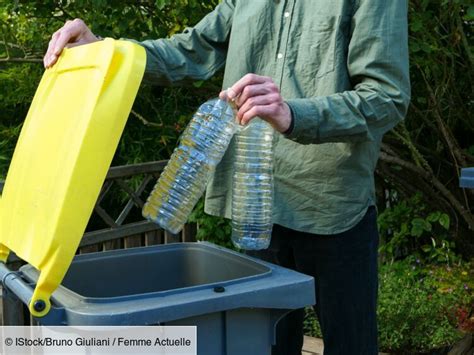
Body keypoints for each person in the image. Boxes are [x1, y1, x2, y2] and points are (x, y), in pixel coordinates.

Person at [44, 1, 410, 354]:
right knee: (264, 347)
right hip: (256, 209)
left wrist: (294, 114)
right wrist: (105, 50)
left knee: (351, 346)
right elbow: (192, 50)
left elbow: (386, 97)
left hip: (332, 206)